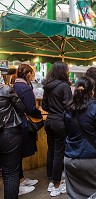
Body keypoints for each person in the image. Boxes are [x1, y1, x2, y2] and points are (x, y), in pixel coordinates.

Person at [64, 77, 96, 199]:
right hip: (91, 160)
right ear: (92, 91)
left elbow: (66, 132)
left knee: (75, 194)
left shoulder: (68, 108)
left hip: (69, 159)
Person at [42, 61, 72, 197]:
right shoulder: (64, 86)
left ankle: (51, 179)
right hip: (60, 122)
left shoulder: (47, 86)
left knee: (52, 151)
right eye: (67, 70)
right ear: (62, 71)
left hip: (49, 121)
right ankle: (56, 184)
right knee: (59, 152)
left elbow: (45, 106)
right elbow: (69, 106)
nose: (69, 72)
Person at [13, 64, 43, 195]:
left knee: (17, 154)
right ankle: (18, 184)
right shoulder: (25, 88)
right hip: (22, 123)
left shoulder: (15, 85)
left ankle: (21, 179)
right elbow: (30, 108)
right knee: (17, 155)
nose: (33, 76)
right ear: (28, 74)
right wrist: (39, 114)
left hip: (15, 123)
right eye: (32, 73)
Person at [0, 81, 24, 199]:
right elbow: (21, 107)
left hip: (8, 133)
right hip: (8, 132)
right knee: (10, 173)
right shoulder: (6, 90)